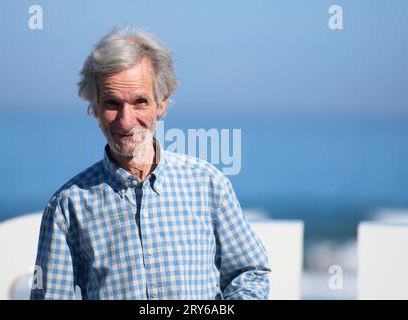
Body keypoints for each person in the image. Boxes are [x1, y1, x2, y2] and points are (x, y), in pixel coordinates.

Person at [30, 26, 270, 300]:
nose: (126, 120)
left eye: (140, 102)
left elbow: (249, 272)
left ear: (162, 103)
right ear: (94, 107)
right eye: (112, 103)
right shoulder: (67, 206)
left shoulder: (209, 185)